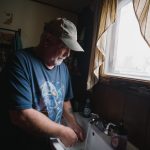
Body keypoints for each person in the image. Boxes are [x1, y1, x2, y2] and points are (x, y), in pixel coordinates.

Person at [0, 18, 85, 150]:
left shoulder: (63, 69)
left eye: (70, 50)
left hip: (49, 143)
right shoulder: (19, 61)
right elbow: (21, 115)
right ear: (47, 40)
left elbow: (65, 100)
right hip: (22, 144)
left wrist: (73, 123)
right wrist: (63, 131)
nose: (68, 54)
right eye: (65, 47)